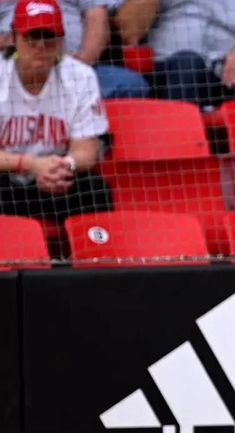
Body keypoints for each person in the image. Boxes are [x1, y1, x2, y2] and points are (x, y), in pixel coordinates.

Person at [0, 0, 111, 248]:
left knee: (94, 189)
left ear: (61, 40)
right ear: (14, 37)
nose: (40, 45)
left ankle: (94, 265)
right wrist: (30, 164)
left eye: (49, 37)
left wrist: (63, 166)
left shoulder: (80, 76)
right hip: (6, 181)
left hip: (55, 180)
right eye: (32, 36)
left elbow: (87, 151)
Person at [0, 0, 149, 98]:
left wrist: (84, 59)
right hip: (11, 70)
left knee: (130, 84)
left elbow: (97, 17)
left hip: (73, 68)